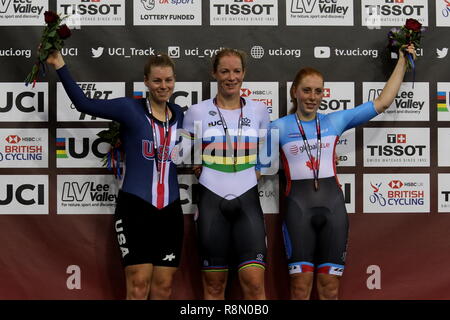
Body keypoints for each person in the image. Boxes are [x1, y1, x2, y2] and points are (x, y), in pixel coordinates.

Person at [270, 45, 416, 300]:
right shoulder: (278, 127)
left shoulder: (334, 121)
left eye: (318, 91)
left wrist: (402, 60)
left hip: (334, 210)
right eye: (306, 90)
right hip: (297, 211)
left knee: (330, 288)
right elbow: (243, 151)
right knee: (300, 288)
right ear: (295, 92)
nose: (312, 97)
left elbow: (382, 102)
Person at [46, 51, 184, 300]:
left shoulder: (181, 115)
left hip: (171, 210)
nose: (163, 86)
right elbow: (84, 104)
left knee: (163, 287)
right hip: (136, 207)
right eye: (157, 81)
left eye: (168, 80)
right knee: (139, 284)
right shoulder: (129, 108)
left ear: (174, 81)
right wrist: (60, 65)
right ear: (146, 81)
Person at [182, 48, 270, 300]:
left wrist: (253, 174)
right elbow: (180, 153)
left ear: (244, 73)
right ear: (214, 73)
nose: (231, 77)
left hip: (248, 202)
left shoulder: (260, 111)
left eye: (236, 71)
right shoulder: (196, 112)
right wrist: (200, 164)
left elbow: (268, 154)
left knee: (254, 285)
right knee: (213, 286)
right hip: (211, 202)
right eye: (224, 71)